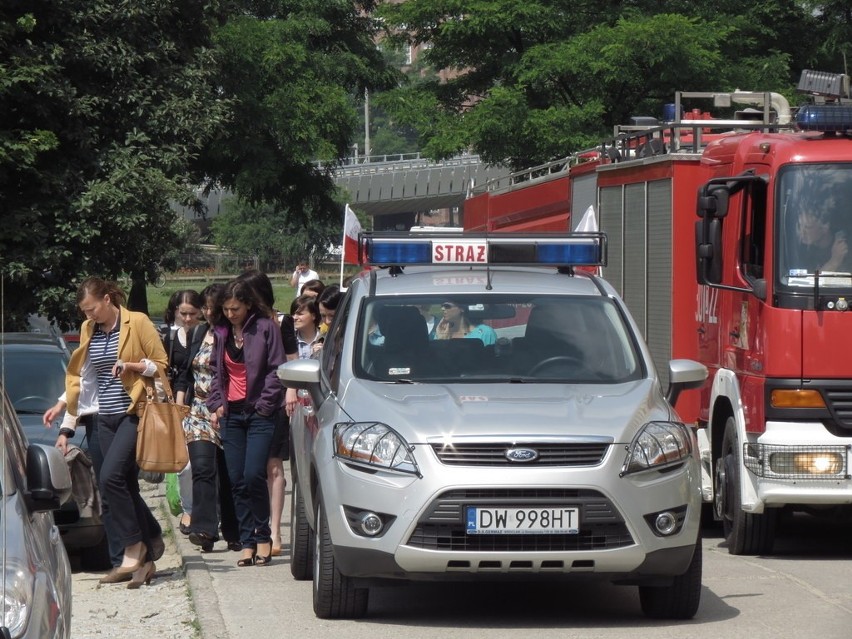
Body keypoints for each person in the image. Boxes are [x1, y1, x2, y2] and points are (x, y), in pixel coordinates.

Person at [58, 277, 167, 588]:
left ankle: (134, 547)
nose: (89, 315)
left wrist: (133, 365)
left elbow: (160, 364)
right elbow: (84, 377)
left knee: (111, 478)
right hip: (102, 415)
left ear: (107, 299)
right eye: (85, 311)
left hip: (135, 412)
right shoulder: (88, 329)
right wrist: (65, 409)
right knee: (122, 485)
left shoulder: (138, 322)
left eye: (92, 308)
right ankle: (144, 562)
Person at [207, 279, 285, 567]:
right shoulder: (221, 332)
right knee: (236, 479)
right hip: (232, 415)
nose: (230, 313)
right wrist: (216, 402)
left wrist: (265, 405)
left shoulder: (265, 328)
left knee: (254, 475)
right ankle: (247, 541)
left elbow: (277, 369)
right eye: (226, 309)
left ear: (248, 304)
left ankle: (263, 536)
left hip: (259, 413)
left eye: (236, 308)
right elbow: (216, 370)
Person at [174, 284, 240, 554]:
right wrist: (180, 407)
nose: (208, 312)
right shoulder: (199, 333)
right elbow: (184, 374)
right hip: (198, 412)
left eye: (212, 307)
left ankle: (234, 531)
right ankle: (204, 529)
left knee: (227, 474)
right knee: (202, 468)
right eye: (206, 307)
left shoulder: (232, 335)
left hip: (226, 411)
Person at [165, 290, 206, 535]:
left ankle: (207, 510)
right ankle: (189, 509)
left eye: (192, 313)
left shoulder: (207, 335)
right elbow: (174, 374)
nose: (188, 319)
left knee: (204, 464)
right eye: (184, 313)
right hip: (179, 404)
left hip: (204, 403)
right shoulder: (170, 338)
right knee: (184, 464)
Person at [795, 203, 851, 273]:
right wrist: (834, 261)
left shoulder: (844, 248)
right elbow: (808, 282)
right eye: (800, 226)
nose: (801, 232)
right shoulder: (799, 250)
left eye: (807, 227)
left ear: (825, 226)